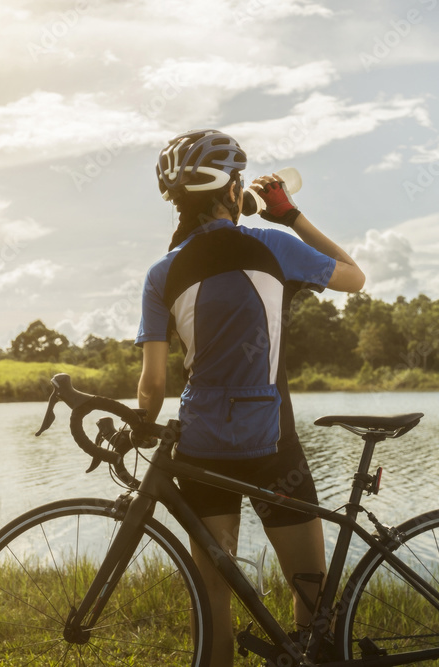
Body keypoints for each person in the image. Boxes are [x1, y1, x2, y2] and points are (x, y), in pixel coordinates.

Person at [135, 129, 365, 665]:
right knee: (310, 587)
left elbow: (153, 386)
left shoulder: (161, 274)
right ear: (232, 187)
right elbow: (355, 277)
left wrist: (140, 424)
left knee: (213, 597)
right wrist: (290, 216)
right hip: (272, 445)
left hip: (200, 448)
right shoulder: (273, 245)